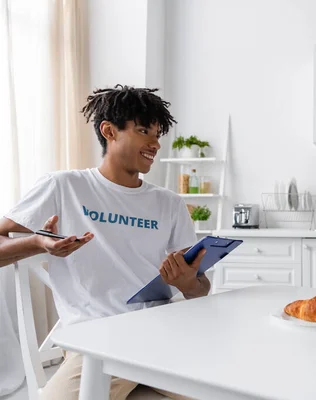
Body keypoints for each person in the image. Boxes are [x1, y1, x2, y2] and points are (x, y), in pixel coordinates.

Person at [0, 85, 206, 400]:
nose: (155, 143)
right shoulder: (64, 186)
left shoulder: (169, 203)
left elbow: (201, 289)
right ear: (109, 131)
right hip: (97, 339)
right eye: (143, 131)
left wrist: (189, 283)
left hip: (163, 334)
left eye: (157, 134)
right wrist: (38, 244)